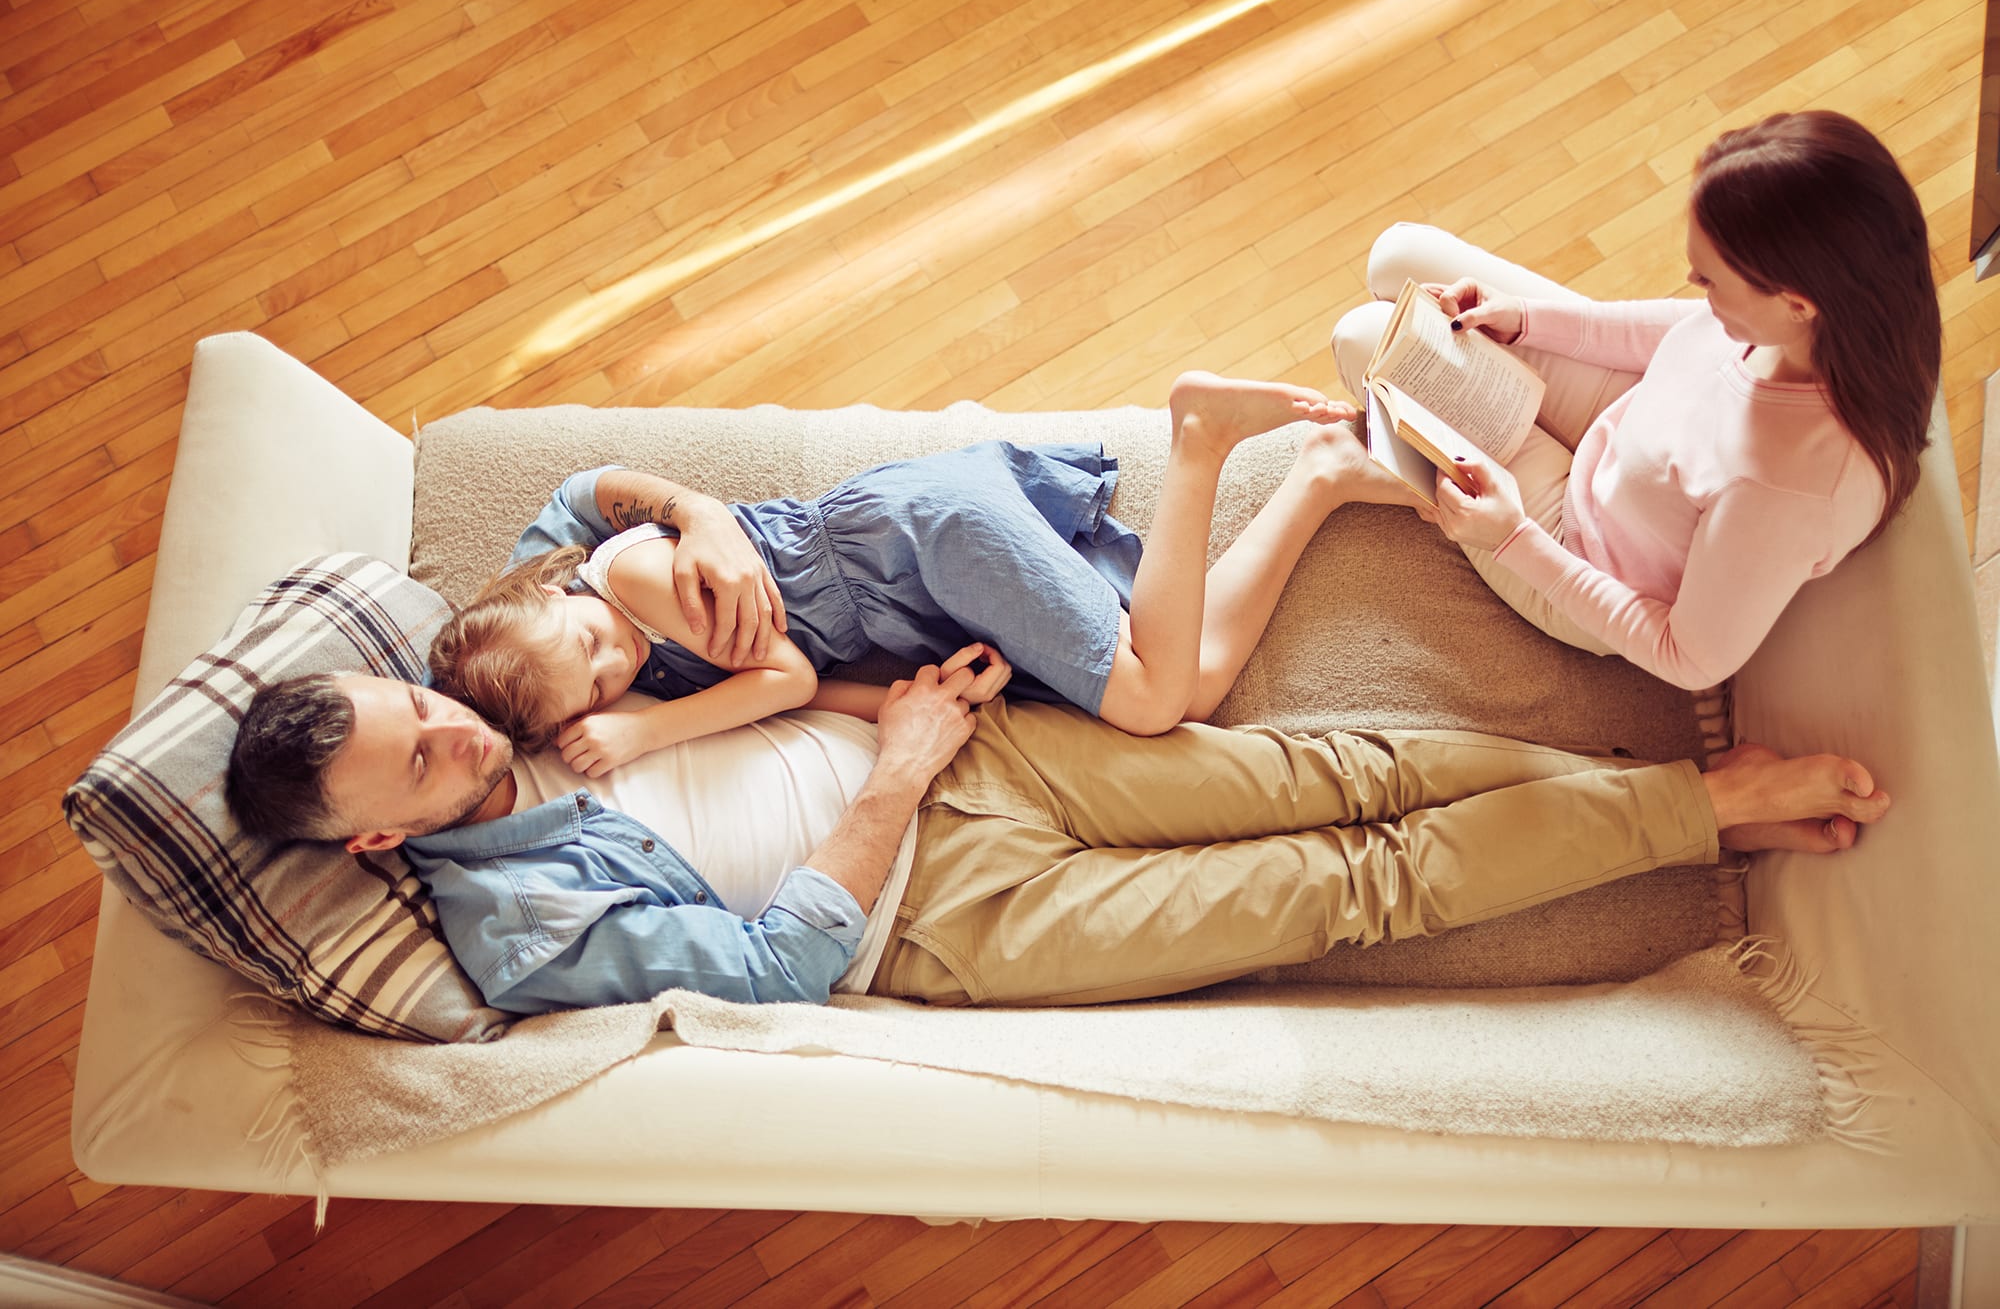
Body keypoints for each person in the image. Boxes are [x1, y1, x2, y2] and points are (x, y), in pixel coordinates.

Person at [224, 655, 1891, 1014]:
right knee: (1348, 882)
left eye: (414, 704)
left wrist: (889, 707)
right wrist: (897, 772)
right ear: (378, 846)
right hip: (951, 918)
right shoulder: (508, 929)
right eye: (420, 765)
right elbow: (767, 964)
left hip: (963, 750)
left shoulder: (493, 679)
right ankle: (1702, 807)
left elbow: (592, 506)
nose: (454, 733)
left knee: (1329, 764)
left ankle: (1635, 787)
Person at [424, 373, 1367, 776]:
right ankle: (1322, 477)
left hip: (922, 543)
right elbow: (804, 692)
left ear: (553, 590)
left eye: (587, 648)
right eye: (592, 690)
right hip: (922, 584)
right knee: (1187, 678)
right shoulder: (609, 651)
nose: (612, 668)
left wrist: (646, 734)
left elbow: (786, 680)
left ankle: (1197, 437)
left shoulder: (629, 579)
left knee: (1153, 698)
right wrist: (920, 703)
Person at [1324, 111, 1941, 690]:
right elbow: (1681, 330)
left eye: (1711, 280)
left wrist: (1510, 538)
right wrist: (1524, 321)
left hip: (1577, 547)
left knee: (1364, 339)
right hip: (1628, 420)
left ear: (1796, 303)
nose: (1695, 288)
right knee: (1398, 257)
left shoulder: (1786, 493)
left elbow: (1688, 657)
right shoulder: (1832, 325)